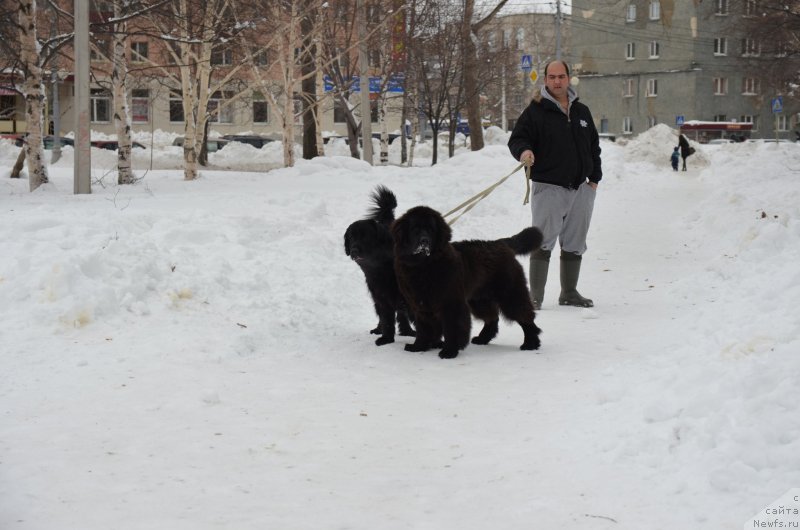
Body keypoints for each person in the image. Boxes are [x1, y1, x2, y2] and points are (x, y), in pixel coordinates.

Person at [507, 60, 602, 309]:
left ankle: (569, 292)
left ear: (568, 78)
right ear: (545, 80)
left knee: (575, 241)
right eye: (551, 77)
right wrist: (525, 151)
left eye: (561, 76)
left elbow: (594, 147)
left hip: (581, 188)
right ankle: (535, 297)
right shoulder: (536, 111)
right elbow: (517, 139)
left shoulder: (582, 112)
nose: (557, 81)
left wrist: (594, 179)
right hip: (548, 187)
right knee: (542, 240)